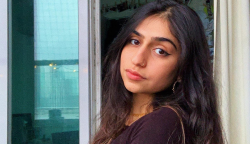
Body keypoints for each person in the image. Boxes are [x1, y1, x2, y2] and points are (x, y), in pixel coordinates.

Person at [92, 0, 224, 143]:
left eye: (160, 51)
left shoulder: (163, 125)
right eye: (135, 41)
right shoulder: (121, 117)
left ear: (183, 69)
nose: (138, 59)